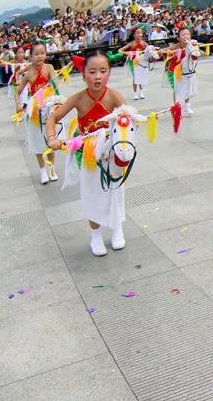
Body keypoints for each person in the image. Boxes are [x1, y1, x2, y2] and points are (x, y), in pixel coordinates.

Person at [45, 53, 129, 256]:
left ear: (109, 73)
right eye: (92, 72)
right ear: (83, 75)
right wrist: (51, 138)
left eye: (103, 71)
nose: (98, 76)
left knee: (115, 190)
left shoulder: (114, 96)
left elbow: (126, 121)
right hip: (88, 154)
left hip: (110, 152)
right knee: (92, 192)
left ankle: (117, 228)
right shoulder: (78, 98)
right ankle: (96, 235)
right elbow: (53, 117)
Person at [15, 42, 59, 184]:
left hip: (49, 110)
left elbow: (56, 84)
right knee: (38, 142)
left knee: (50, 140)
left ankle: (52, 169)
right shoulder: (28, 74)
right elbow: (18, 92)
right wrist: (19, 104)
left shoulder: (49, 68)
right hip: (34, 112)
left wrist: (52, 87)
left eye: (42, 53)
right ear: (31, 56)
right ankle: (42, 171)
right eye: (36, 54)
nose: (40, 56)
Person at [161, 28, 200, 115]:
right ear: (178, 38)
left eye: (187, 34)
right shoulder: (176, 47)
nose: (186, 36)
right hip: (174, 70)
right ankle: (176, 108)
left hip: (187, 71)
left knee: (188, 89)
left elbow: (200, 53)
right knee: (177, 90)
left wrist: (196, 47)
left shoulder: (192, 45)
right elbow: (167, 49)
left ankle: (186, 106)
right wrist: (162, 50)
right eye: (183, 35)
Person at [119, 26, 153, 100]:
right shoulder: (131, 44)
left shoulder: (144, 43)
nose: (139, 35)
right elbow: (120, 50)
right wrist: (128, 53)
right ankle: (135, 93)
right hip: (133, 63)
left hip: (142, 62)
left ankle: (141, 91)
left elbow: (151, 50)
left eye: (141, 33)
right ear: (134, 35)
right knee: (135, 77)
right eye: (137, 33)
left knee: (141, 77)